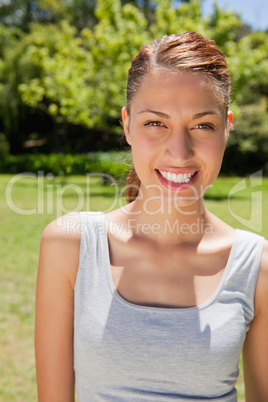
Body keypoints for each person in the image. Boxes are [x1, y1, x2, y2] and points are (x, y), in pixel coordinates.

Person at [35, 31, 268, 401]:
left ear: (227, 126)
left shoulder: (257, 266)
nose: (179, 151)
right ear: (127, 124)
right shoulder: (70, 246)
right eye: (155, 123)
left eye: (202, 125)